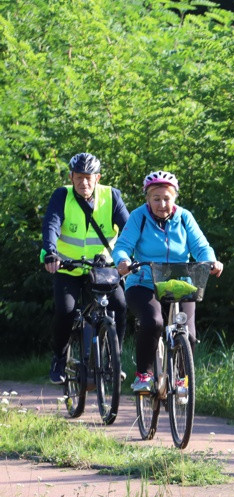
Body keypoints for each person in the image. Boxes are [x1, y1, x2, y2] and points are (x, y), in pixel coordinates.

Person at [112, 171, 223, 393]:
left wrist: (211, 261)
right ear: (147, 199)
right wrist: (123, 260)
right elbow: (123, 245)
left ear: (174, 198)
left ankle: (182, 380)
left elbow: (200, 246)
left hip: (179, 282)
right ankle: (144, 375)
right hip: (144, 282)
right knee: (153, 322)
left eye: (167, 198)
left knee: (188, 334)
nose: (162, 204)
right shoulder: (138, 217)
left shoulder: (184, 217)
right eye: (156, 198)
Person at [41, 153, 130, 384]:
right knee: (66, 311)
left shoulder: (111, 196)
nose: (84, 183)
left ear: (97, 177)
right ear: (71, 177)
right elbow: (51, 223)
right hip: (68, 267)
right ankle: (59, 358)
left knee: (119, 304)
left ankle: (113, 360)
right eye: (79, 178)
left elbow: (129, 230)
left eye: (89, 178)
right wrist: (51, 251)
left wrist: (130, 257)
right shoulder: (62, 195)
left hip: (101, 268)